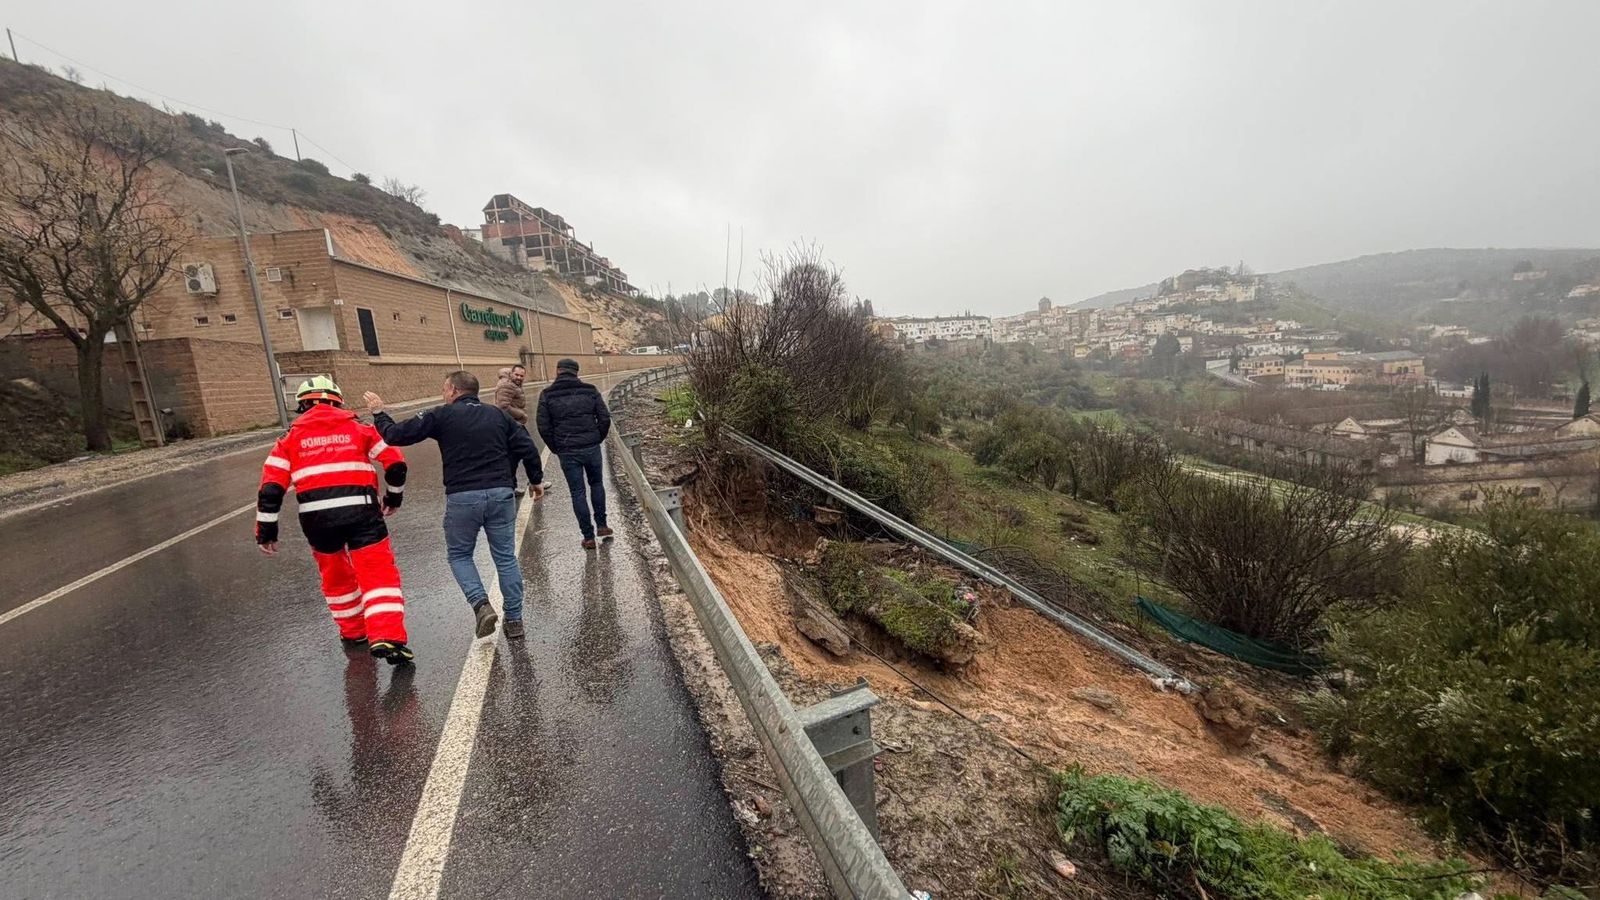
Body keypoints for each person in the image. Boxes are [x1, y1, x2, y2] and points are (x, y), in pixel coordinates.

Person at [365, 371, 545, 642]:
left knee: (460, 555)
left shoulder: (441, 415)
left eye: (444, 389)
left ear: (452, 390)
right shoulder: (498, 415)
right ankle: (515, 621)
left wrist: (379, 413)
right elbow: (527, 447)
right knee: (506, 557)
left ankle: (481, 604)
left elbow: (395, 435)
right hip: (500, 493)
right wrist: (535, 480)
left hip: (463, 497)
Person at [256, 376, 414, 665]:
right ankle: (387, 635)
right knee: (377, 574)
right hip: (362, 514)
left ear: (302, 406)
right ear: (338, 402)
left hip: (317, 521)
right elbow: (396, 463)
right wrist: (393, 499)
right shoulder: (360, 430)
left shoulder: (288, 440)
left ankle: (354, 633)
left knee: (336, 577)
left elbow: (271, 489)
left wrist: (266, 531)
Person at [536, 358, 612, 550]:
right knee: (596, 484)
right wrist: (597, 437)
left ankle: (588, 537)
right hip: (591, 446)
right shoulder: (590, 390)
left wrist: (556, 447)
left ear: (558, 371)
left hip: (567, 450)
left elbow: (543, 426)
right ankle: (602, 525)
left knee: (577, 492)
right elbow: (604, 418)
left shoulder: (547, 394)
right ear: (576, 372)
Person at [493, 363, 533, 495]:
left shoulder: (512, 384)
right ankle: (535, 481)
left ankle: (513, 485)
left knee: (513, 457)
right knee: (529, 452)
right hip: (512, 425)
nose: (519, 377)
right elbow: (503, 406)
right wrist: (521, 415)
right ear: (511, 373)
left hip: (512, 425)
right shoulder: (507, 385)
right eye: (517, 374)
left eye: (522, 375)